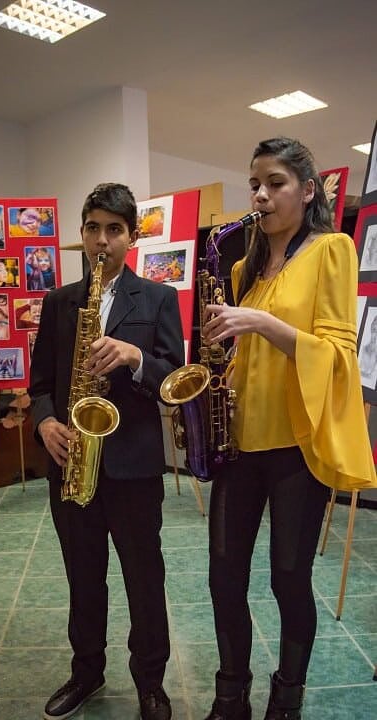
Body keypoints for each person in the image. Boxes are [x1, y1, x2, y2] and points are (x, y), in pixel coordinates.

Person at [201, 137, 377, 720]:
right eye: (255, 183)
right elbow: (247, 357)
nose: (261, 195)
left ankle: (287, 696)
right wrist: (222, 358)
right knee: (223, 577)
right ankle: (230, 695)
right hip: (239, 443)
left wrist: (260, 322)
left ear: (307, 191)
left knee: (288, 578)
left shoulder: (332, 249)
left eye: (275, 183)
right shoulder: (244, 267)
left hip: (297, 446)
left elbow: (338, 355)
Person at [29, 182, 184, 720]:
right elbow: (40, 384)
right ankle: (86, 673)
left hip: (134, 469)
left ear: (131, 236)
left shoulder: (159, 298)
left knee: (145, 580)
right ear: (82, 232)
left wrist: (135, 357)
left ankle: (151, 682)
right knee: (83, 578)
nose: (102, 240)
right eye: (93, 228)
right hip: (72, 464)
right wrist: (46, 422)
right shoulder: (58, 302)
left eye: (114, 230)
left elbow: (173, 378)